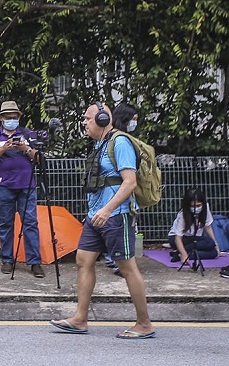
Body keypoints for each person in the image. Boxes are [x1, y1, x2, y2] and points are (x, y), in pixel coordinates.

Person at [51, 102, 155, 339]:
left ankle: (144, 324)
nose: (84, 123)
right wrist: (96, 211)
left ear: (101, 119)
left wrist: (107, 210)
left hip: (116, 215)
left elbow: (130, 182)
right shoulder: (101, 144)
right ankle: (80, 319)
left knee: (127, 267)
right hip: (95, 216)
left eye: (88, 119)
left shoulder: (120, 142)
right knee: (83, 260)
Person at [0, 100, 44, 278]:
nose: (11, 120)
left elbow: (38, 158)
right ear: (1, 118)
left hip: (27, 184)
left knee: (30, 223)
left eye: (14, 117)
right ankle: (7, 260)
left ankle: (35, 262)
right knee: (6, 223)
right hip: (4, 185)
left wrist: (24, 148)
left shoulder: (27, 133)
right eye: (8, 117)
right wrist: (5, 148)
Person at [103, 102, 139, 277]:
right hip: (118, 204)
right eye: (133, 119)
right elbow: (130, 181)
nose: (135, 123)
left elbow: (129, 181)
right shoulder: (120, 141)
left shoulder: (114, 140)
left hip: (113, 202)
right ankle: (119, 263)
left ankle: (117, 262)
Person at [169, 188, 219, 264]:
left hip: (195, 238)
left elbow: (208, 227)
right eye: (192, 206)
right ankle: (182, 252)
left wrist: (217, 247)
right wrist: (184, 254)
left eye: (198, 205)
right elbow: (178, 237)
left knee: (213, 251)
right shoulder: (182, 214)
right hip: (178, 239)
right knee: (208, 243)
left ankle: (180, 253)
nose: (196, 209)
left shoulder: (205, 208)